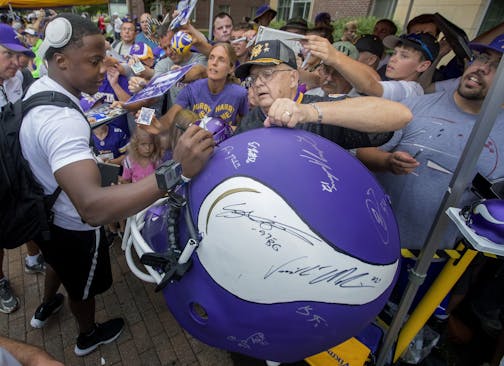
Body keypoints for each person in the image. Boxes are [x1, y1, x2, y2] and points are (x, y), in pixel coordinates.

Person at [19, 13, 213, 356]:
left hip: (46, 212)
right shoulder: (61, 120)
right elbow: (92, 208)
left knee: (58, 264)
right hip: (72, 224)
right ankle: (88, 334)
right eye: (95, 61)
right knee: (82, 284)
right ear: (61, 60)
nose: (103, 69)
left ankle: (47, 304)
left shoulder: (42, 88)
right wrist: (176, 171)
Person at [355, 34, 504, 250]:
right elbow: (364, 152)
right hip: (372, 241)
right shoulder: (413, 107)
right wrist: (387, 161)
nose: (482, 68)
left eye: (498, 66)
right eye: (482, 58)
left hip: (439, 262)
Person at [234, 39, 412, 145]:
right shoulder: (252, 119)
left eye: (267, 74)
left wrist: (309, 112)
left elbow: (400, 115)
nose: (258, 83)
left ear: (293, 78)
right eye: (254, 77)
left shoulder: (319, 112)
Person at [0, 23, 46, 315]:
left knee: (28, 209)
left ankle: (33, 258)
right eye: (8, 55)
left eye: (20, 55)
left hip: (20, 164)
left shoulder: (22, 77)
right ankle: (1, 280)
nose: (17, 62)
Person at [159, 42, 248, 128]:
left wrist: (226, 129)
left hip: (226, 142)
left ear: (231, 68)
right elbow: (169, 118)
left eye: (221, 60)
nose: (214, 63)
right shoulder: (192, 89)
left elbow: (246, 128)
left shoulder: (240, 94)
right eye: (211, 58)